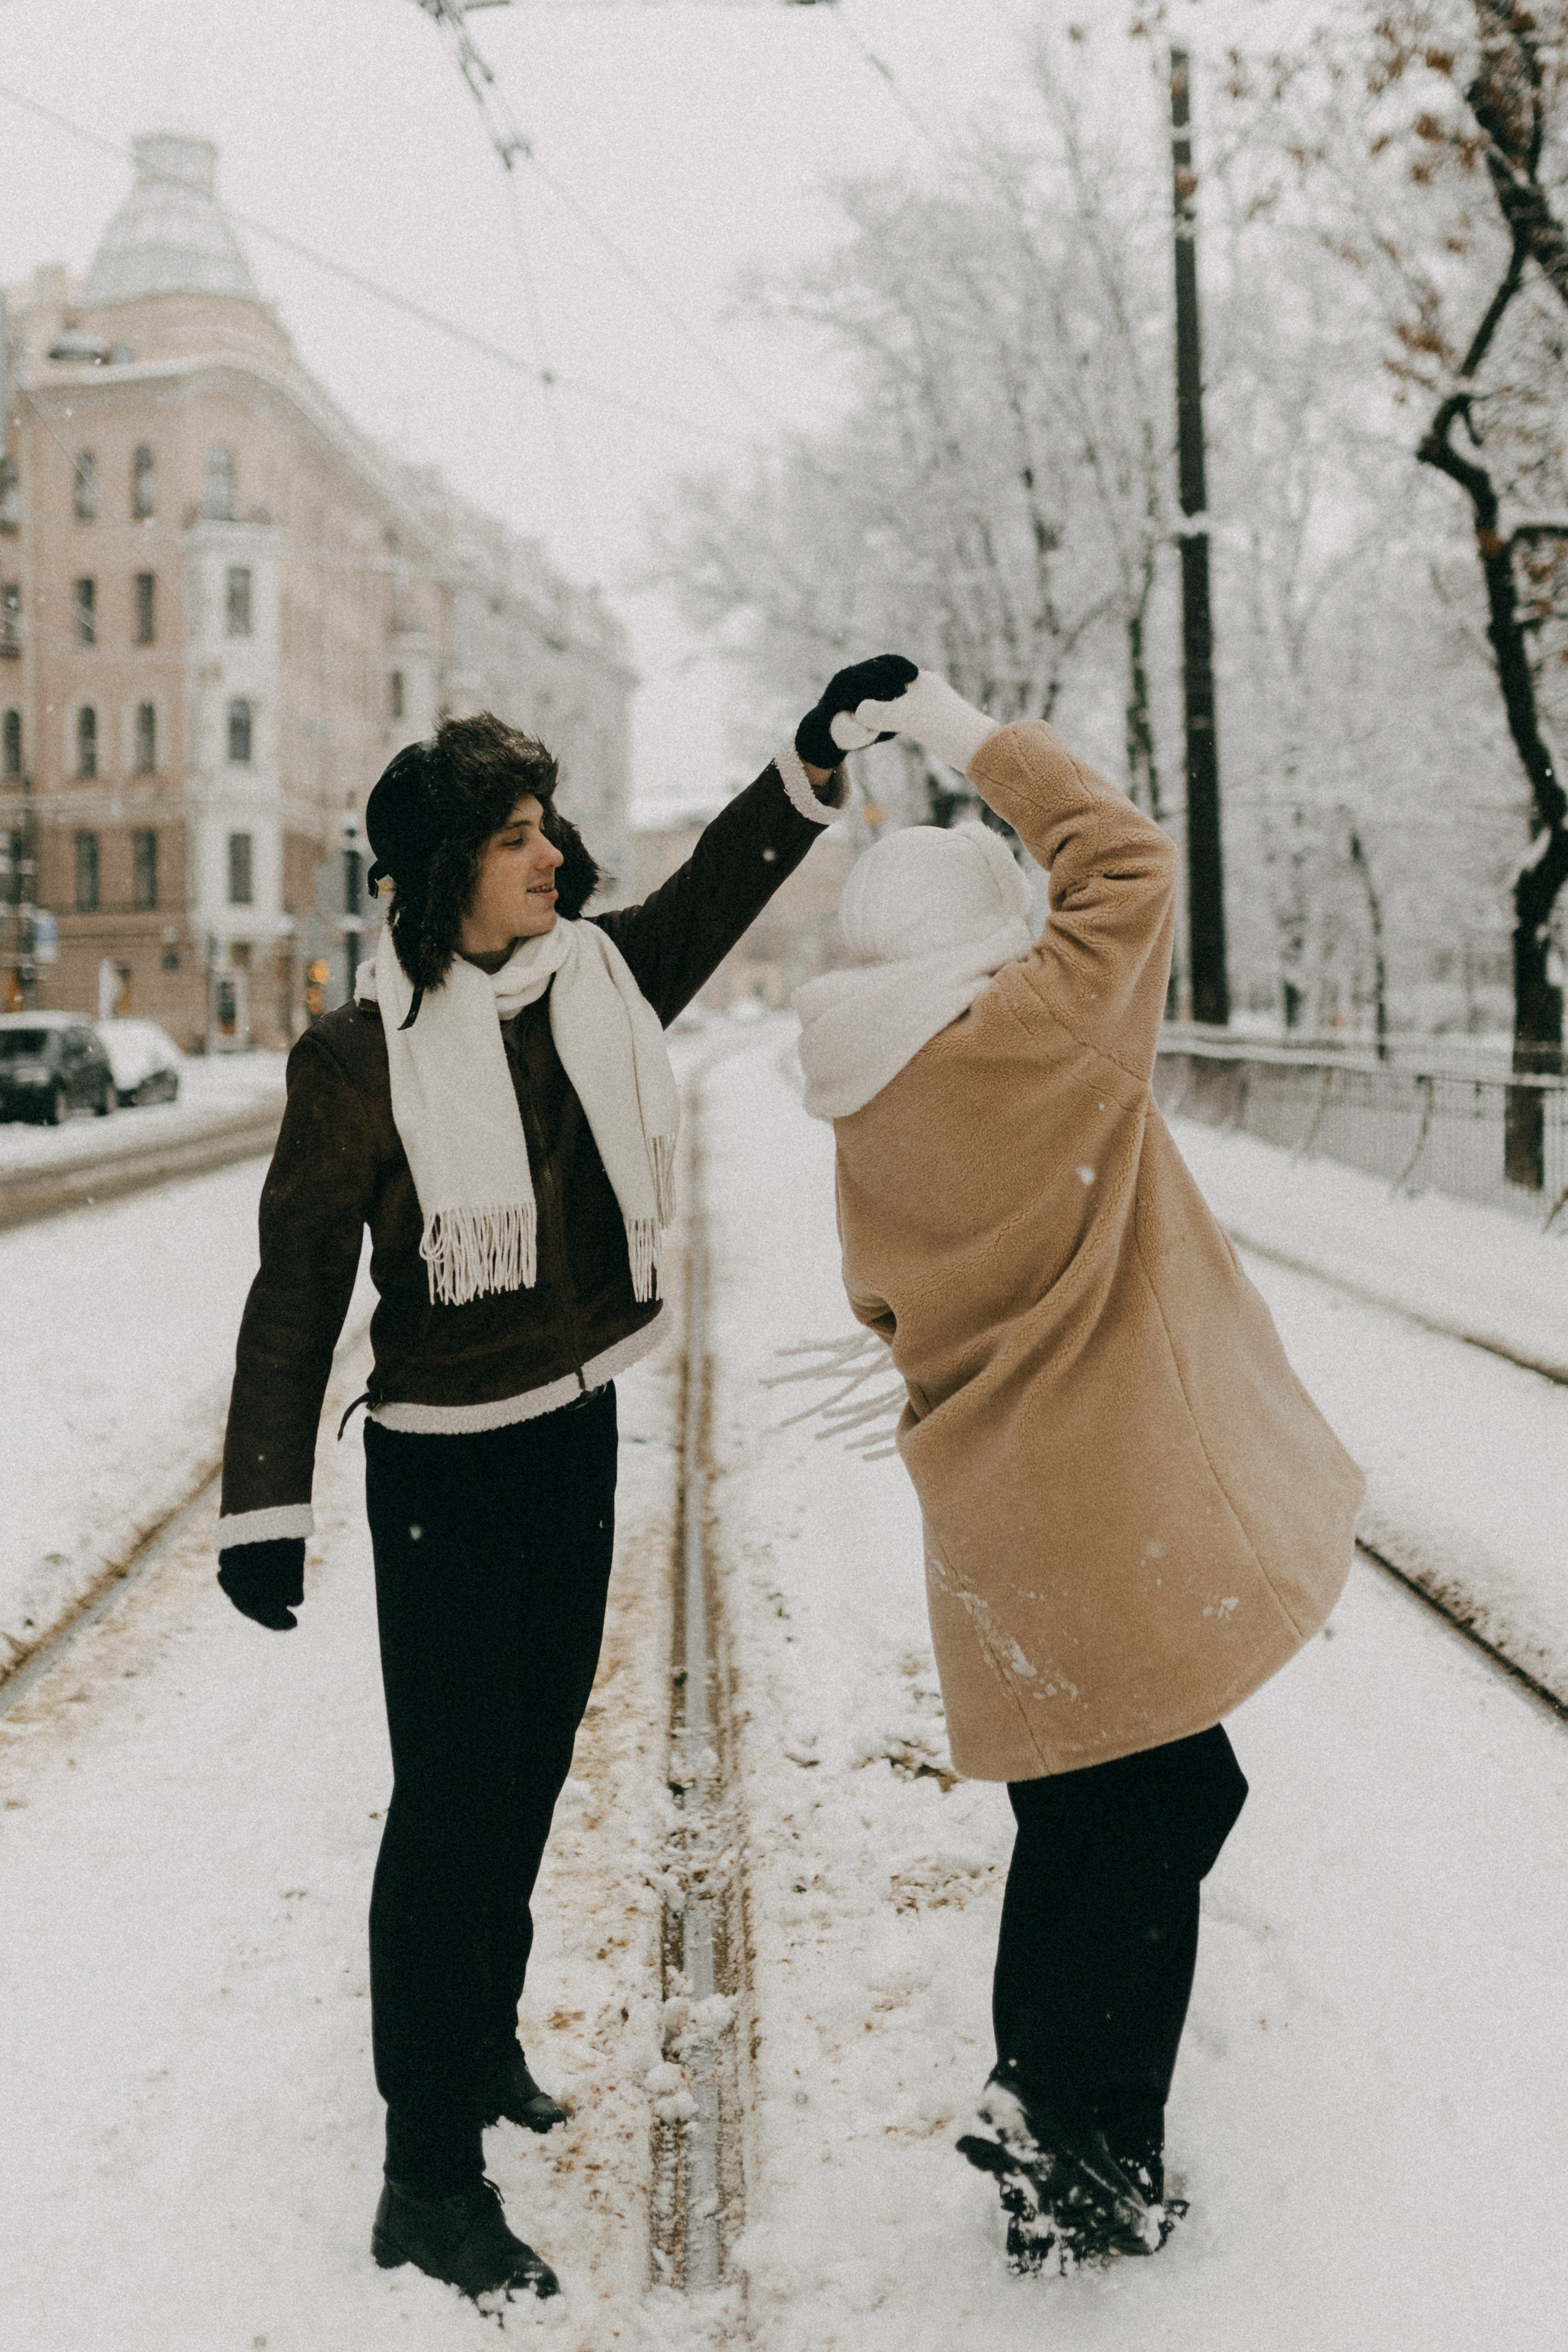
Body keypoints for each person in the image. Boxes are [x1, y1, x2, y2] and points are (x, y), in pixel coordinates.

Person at [214, 662, 913, 2305]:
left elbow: (720, 890)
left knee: (527, 1776)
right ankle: (425, 2178)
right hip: (444, 1471)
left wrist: (811, 756)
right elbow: (298, 1284)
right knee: (449, 1809)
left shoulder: (595, 982)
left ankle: (478, 2042)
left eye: (548, 828)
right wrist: (264, 1506)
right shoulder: (357, 1059)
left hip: (573, 1433)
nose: (549, 855)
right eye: (513, 835)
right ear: (441, 869)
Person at [792, 669, 1365, 2274]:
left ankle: (1050, 2113)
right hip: (1107, 1504)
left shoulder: (862, 1096)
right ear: (986, 923)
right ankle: (1076, 2121)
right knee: (1168, 1794)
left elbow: (883, 1303)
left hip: (992, 1508)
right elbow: (1126, 859)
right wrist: (957, 728)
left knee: (1084, 1807)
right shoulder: (1039, 1032)